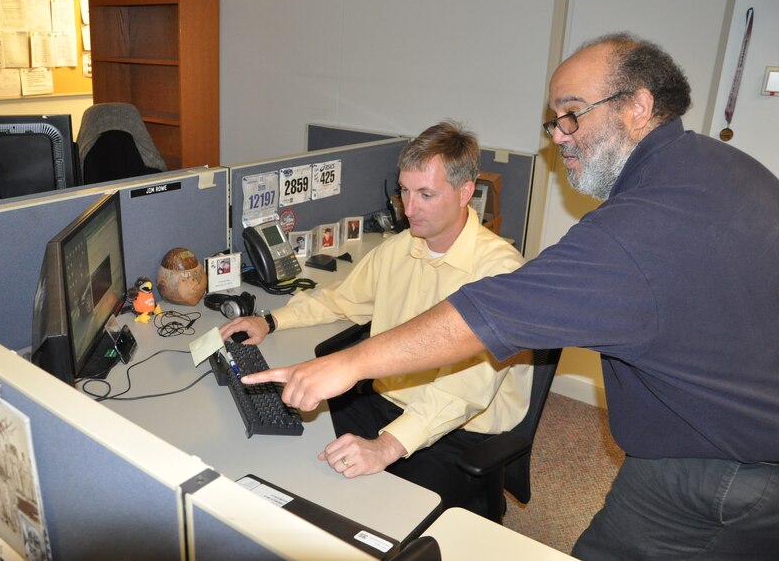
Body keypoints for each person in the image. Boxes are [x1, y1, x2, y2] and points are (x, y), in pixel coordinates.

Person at [244, 33, 779, 560]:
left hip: (722, 468)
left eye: (572, 114)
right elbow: (345, 300)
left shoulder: (632, 229)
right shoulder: (720, 168)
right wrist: (273, 323)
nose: (558, 136)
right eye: (554, 120)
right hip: (737, 436)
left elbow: (478, 324)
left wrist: (352, 366)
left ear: (638, 106)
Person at [221, 120, 531, 512]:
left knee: (387, 515)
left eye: (426, 194)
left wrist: (385, 446)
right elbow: (341, 300)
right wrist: (270, 321)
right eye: (404, 190)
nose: (409, 208)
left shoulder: (499, 273)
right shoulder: (402, 247)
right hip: (389, 398)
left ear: (464, 192)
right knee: (296, 446)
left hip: (458, 426)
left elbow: (462, 394)